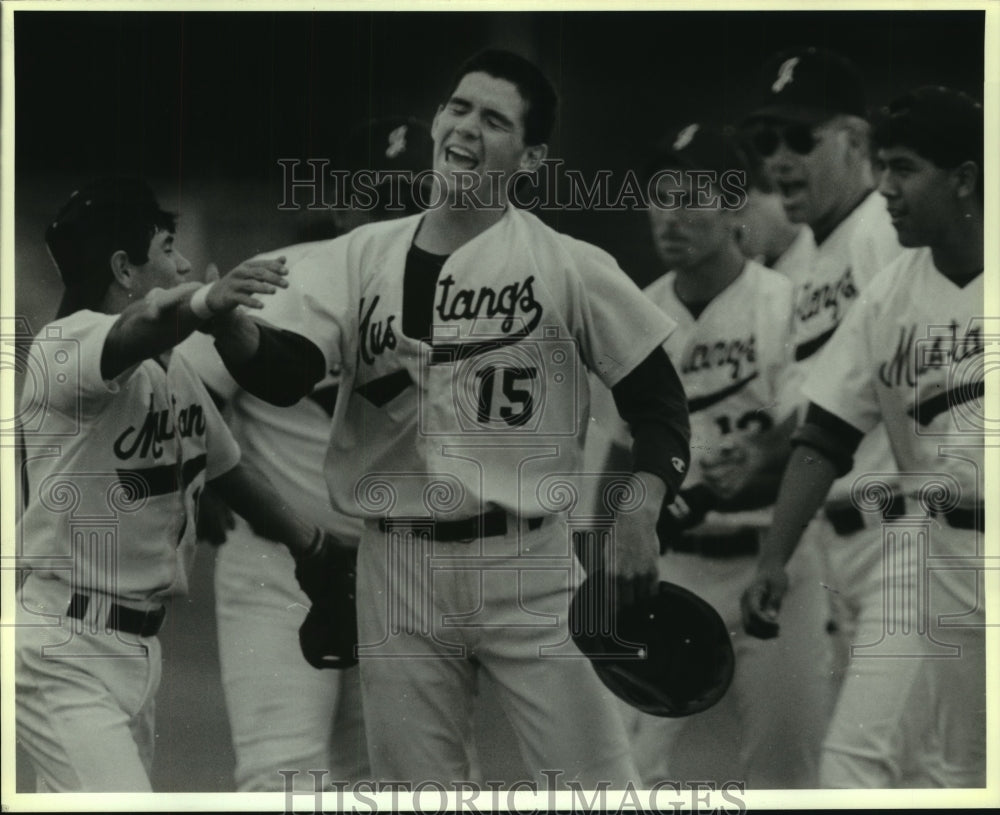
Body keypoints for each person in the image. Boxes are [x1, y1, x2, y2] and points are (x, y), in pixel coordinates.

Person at [207, 49, 692, 787]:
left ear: (530, 157)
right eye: (457, 107)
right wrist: (231, 326)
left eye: (493, 119)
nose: (465, 127)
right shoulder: (360, 254)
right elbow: (286, 372)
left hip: (529, 559)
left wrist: (641, 502)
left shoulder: (568, 264)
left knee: (600, 788)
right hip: (397, 563)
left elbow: (658, 402)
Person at [14, 177, 331, 792]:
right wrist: (206, 302)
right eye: (166, 248)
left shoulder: (172, 369)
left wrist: (313, 546)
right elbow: (143, 324)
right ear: (124, 269)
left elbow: (228, 469)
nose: (183, 263)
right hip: (64, 648)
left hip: (138, 650)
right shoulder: (64, 347)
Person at [175, 117, 433, 791]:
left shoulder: (459, 299)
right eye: (380, 196)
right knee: (283, 776)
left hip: (395, 567)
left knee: (386, 779)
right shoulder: (285, 280)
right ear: (346, 200)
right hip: (280, 562)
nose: (393, 214)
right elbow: (187, 389)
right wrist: (201, 480)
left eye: (413, 197)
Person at [741, 86, 986, 788]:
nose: (887, 188)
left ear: (963, 178)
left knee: (900, 770)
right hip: (936, 558)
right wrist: (775, 555)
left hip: (932, 548)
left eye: (904, 168)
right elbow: (824, 432)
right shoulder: (890, 294)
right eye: (883, 166)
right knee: (938, 773)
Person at [591, 124, 834, 788]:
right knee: (623, 766)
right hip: (670, 567)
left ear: (735, 207)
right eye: (659, 193)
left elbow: (806, 431)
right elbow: (616, 457)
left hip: (771, 560)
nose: (670, 212)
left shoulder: (786, 303)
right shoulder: (635, 312)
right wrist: (598, 576)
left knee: (787, 769)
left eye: (691, 194)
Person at [740, 46, 906, 675]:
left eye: (799, 137)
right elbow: (819, 404)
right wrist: (758, 455)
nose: (778, 158)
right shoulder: (811, 256)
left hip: (903, 528)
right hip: (841, 545)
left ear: (855, 140)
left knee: (867, 762)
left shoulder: (884, 231)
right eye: (765, 140)